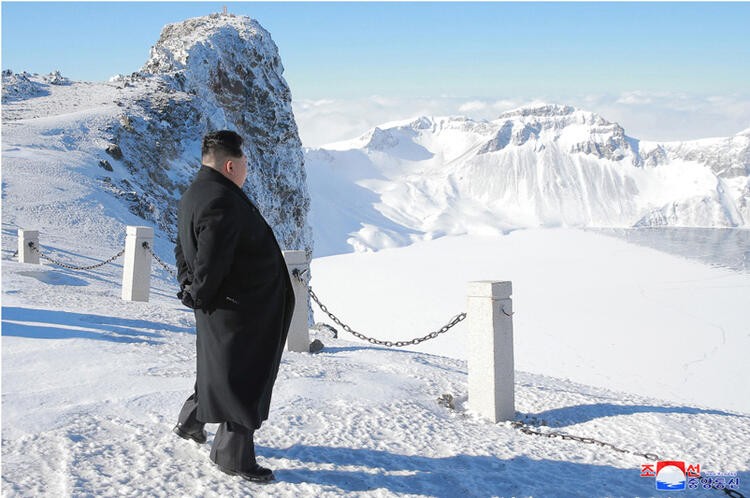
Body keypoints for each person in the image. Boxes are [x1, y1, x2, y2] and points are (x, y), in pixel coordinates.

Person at [172, 130, 295, 482]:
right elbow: (212, 259)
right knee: (245, 377)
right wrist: (197, 291)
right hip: (241, 312)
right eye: (244, 164)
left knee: (218, 370)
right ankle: (233, 456)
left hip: (224, 308)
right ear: (230, 165)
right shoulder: (223, 199)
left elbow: (183, 245)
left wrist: (189, 286)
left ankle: (190, 422)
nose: (246, 170)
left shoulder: (195, 192)